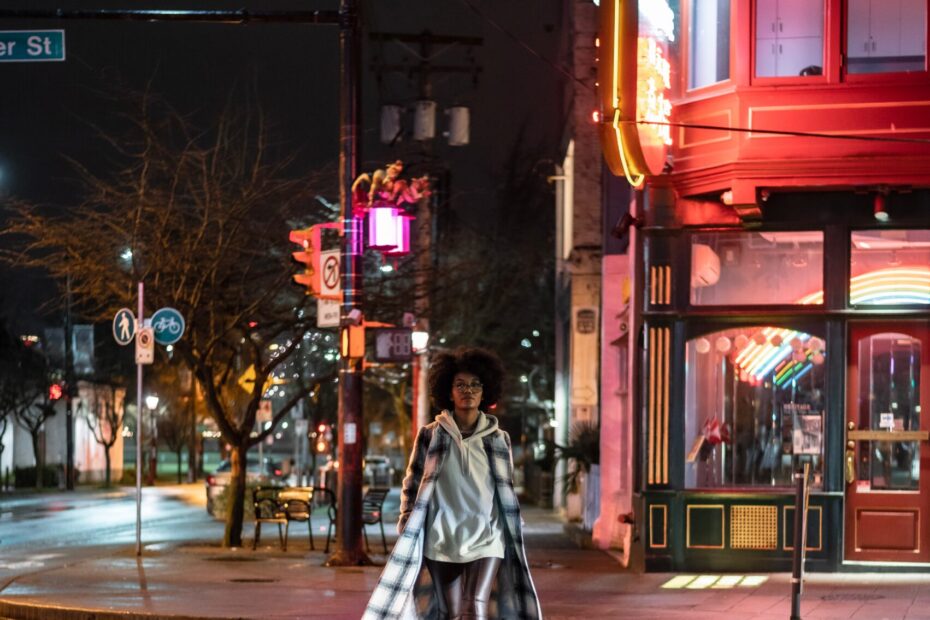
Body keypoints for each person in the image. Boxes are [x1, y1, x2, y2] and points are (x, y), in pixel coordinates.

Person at [364, 347, 541, 620]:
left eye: (475, 385)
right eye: (460, 385)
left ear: (485, 392)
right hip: (441, 537)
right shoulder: (430, 435)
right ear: (449, 391)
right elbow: (412, 480)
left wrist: (514, 521)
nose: (468, 390)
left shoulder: (498, 439)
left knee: (475, 608)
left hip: (487, 536)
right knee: (450, 612)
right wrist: (407, 517)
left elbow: (505, 489)